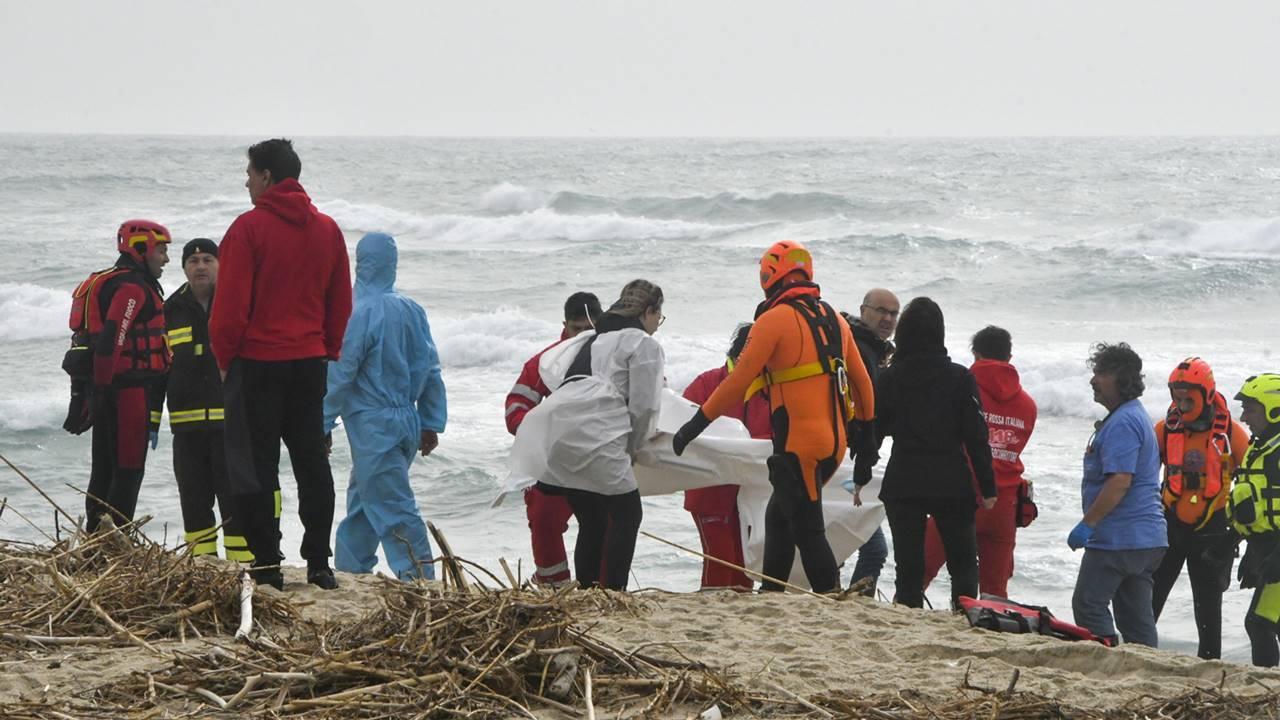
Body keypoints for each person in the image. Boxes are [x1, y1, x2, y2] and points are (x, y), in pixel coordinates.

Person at [673, 240, 876, 594]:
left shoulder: (774, 320)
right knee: (778, 517)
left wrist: (694, 425)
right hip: (835, 444)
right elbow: (862, 383)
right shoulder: (834, 319)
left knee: (808, 528)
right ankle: (772, 594)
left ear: (770, 276)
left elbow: (738, 381)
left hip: (800, 445)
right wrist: (867, 436)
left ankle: (831, 598)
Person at [210, 138, 352, 590]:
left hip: (257, 363)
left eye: (250, 173)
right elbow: (340, 301)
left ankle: (268, 563)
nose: (246, 181)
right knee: (311, 462)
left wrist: (223, 358)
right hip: (309, 361)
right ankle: (319, 564)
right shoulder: (327, 229)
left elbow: (230, 306)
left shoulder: (248, 229)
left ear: (267, 177)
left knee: (256, 466)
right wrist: (327, 347)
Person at [323, 233, 446, 582]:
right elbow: (432, 368)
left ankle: (420, 580)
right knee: (364, 502)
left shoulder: (357, 312)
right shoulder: (411, 309)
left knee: (393, 507)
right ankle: (351, 571)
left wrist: (322, 421)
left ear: (360, 263)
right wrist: (431, 421)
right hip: (406, 418)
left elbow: (341, 372)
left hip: (373, 424)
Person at [530, 280, 665, 590]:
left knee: (591, 520)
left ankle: (588, 591)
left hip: (560, 434)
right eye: (659, 316)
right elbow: (644, 407)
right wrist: (633, 448)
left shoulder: (594, 338)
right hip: (597, 438)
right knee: (628, 515)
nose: (658, 324)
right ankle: (614, 592)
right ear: (649, 311)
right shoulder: (643, 344)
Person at [865, 297, 996, 609]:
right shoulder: (959, 377)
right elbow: (976, 436)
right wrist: (988, 487)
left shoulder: (890, 377)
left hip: (904, 480)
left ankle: (908, 614)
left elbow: (874, 431)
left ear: (904, 333)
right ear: (940, 333)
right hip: (950, 480)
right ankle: (964, 617)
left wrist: (860, 473)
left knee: (908, 567)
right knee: (963, 563)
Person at [67, 220, 172, 532]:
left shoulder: (111, 281)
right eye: (162, 250)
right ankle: (115, 543)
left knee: (103, 468)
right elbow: (112, 339)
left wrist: (89, 394)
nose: (165, 258)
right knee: (127, 470)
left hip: (104, 391)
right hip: (126, 392)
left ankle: (95, 542)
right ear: (141, 248)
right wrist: (100, 391)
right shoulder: (131, 288)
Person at [921, 326, 1037, 600]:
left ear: (975, 353)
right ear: (1010, 357)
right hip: (1004, 503)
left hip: (959, 497)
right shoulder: (1028, 405)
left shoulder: (960, 388)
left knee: (920, 571)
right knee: (994, 591)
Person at [1149, 358, 1248, 660]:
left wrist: (1240, 533)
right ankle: (1136, 652)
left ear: (1206, 394)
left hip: (1213, 531)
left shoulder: (1233, 434)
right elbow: (1141, 479)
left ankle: (1209, 664)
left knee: (1208, 608)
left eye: (1187, 397)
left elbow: (1253, 485)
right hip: (1169, 526)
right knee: (1149, 599)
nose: (1180, 404)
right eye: (1176, 397)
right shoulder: (1163, 431)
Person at [1069, 342, 1166, 647]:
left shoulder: (1124, 422)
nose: (1093, 379)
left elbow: (1120, 481)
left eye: (1102, 373)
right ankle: (1146, 668)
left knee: (1088, 604)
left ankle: (1106, 658)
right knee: (1136, 619)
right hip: (1147, 539)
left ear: (1123, 379)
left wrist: (1088, 524)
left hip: (1120, 538)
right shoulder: (1133, 415)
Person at [162, 238, 252, 562]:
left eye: (207, 259)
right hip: (186, 431)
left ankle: (243, 568)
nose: (200, 266)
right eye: (193, 260)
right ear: (184, 267)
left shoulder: (236, 304)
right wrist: (150, 418)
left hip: (231, 427)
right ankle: (202, 567)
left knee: (236, 502)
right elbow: (160, 369)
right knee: (194, 503)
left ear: (220, 265)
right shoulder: (169, 310)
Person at [504, 292, 602, 586]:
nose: (584, 335)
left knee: (608, 524)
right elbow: (516, 405)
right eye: (577, 328)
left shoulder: (613, 355)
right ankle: (553, 584)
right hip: (554, 458)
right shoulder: (547, 361)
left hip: (599, 455)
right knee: (544, 517)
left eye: (590, 328)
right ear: (564, 325)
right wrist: (537, 431)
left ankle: (601, 586)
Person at [681, 323, 771, 591]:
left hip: (752, 494)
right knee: (721, 561)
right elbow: (680, 428)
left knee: (746, 567)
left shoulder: (770, 389)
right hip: (710, 492)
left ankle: (737, 622)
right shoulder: (708, 383)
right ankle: (710, 615)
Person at [841, 288, 899, 596]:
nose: (888, 319)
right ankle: (851, 603)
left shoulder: (872, 349)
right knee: (874, 548)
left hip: (847, 461)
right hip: (843, 463)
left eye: (893, 314)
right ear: (864, 311)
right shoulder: (860, 350)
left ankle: (838, 600)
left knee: (839, 537)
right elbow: (866, 415)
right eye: (881, 311)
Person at [1225, 373, 1280, 666]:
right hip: (1265, 546)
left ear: (1274, 409)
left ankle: (1266, 689)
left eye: (1250, 409)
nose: (1244, 417)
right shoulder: (1260, 447)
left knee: (1259, 622)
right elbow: (1253, 501)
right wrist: (1233, 541)